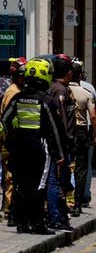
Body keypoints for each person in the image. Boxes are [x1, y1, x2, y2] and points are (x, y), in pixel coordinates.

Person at [1, 57, 65, 235]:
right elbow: (54, 128)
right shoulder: (47, 101)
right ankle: (37, 223)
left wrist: (13, 137)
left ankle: (21, 223)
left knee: (21, 184)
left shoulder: (18, 98)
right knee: (39, 185)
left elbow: (5, 121)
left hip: (20, 145)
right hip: (40, 146)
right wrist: (60, 153)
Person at [47, 54, 76, 231]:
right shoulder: (60, 91)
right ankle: (56, 217)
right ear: (69, 73)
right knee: (58, 181)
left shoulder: (56, 88)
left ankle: (58, 215)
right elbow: (63, 121)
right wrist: (66, 143)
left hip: (58, 143)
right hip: (60, 144)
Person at [69, 60, 96, 217]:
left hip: (65, 131)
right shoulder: (86, 92)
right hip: (81, 131)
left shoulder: (62, 90)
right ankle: (78, 203)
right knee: (81, 168)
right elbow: (93, 116)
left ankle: (65, 201)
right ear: (80, 75)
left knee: (64, 165)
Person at [1, 57, 26, 225]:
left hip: (12, 140)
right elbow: (10, 118)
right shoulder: (13, 92)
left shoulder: (16, 90)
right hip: (10, 140)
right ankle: (9, 208)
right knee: (11, 175)